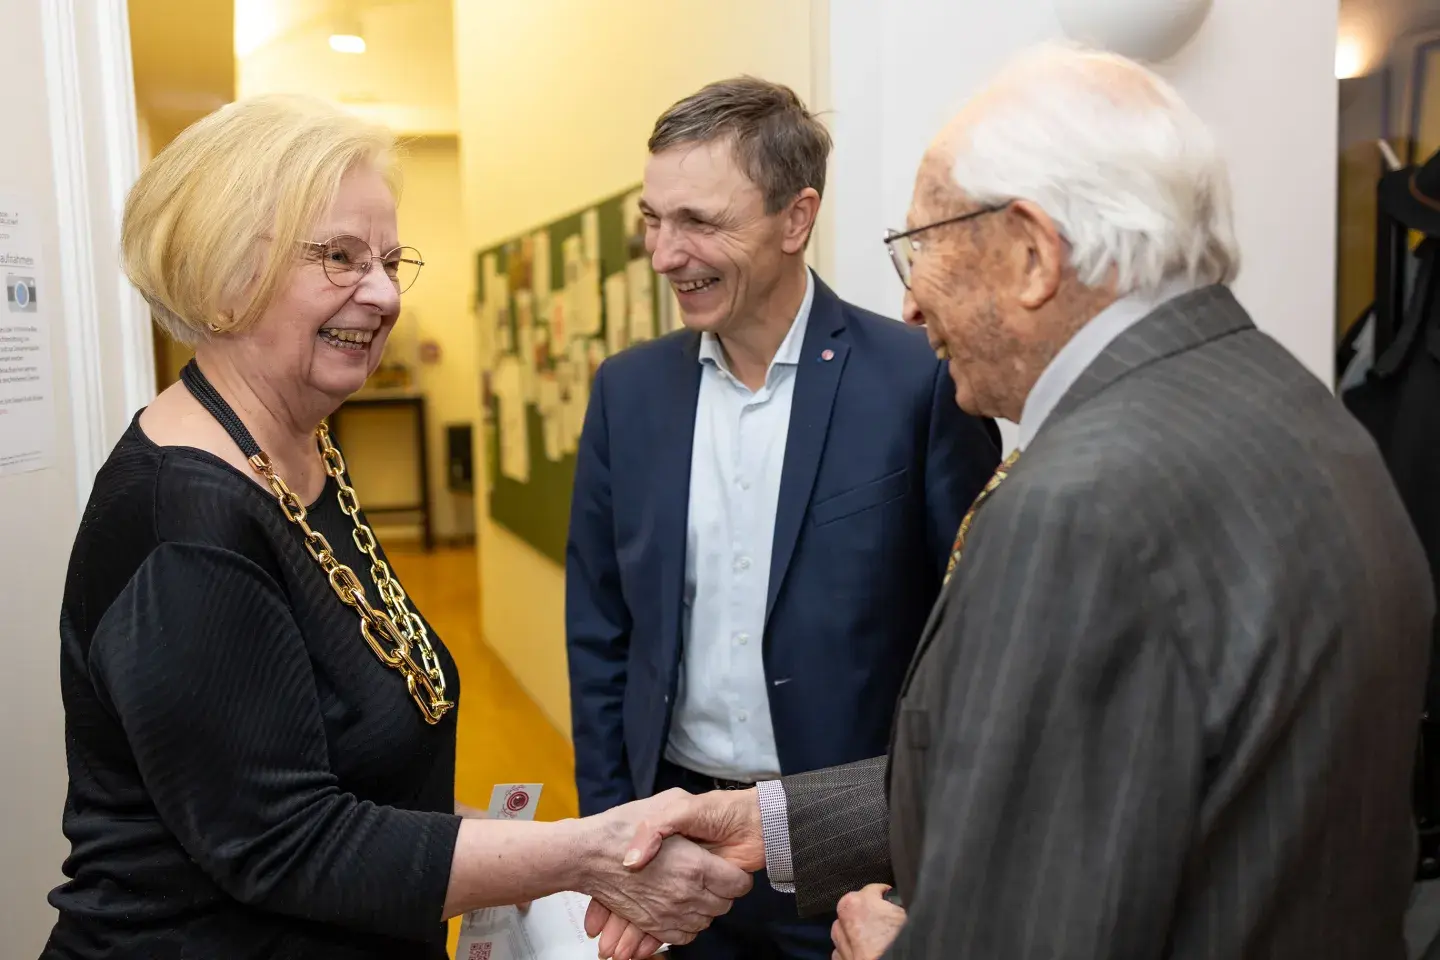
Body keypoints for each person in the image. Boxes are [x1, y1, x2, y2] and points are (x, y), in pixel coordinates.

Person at [588, 43, 1436, 960]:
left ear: (1032, 253)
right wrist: (781, 824)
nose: (910, 308)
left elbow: (1034, 910)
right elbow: (1089, 777)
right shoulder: (1305, 413)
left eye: (925, 249)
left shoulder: (1078, 504)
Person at [42, 93, 749, 960]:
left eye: (388, 259)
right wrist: (585, 854)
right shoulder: (184, 522)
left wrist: (537, 852)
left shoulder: (301, 457)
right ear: (225, 273)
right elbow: (285, 842)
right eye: (339, 257)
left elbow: (342, 773)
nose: (381, 294)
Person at [565, 77, 1000, 960]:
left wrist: (919, 865)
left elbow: (974, 651)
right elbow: (602, 633)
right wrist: (617, 844)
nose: (663, 252)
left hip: (854, 862)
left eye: (697, 221)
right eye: (653, 219)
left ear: (795, 218)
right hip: (675, 844)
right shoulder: (627, 394)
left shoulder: (919, 381)